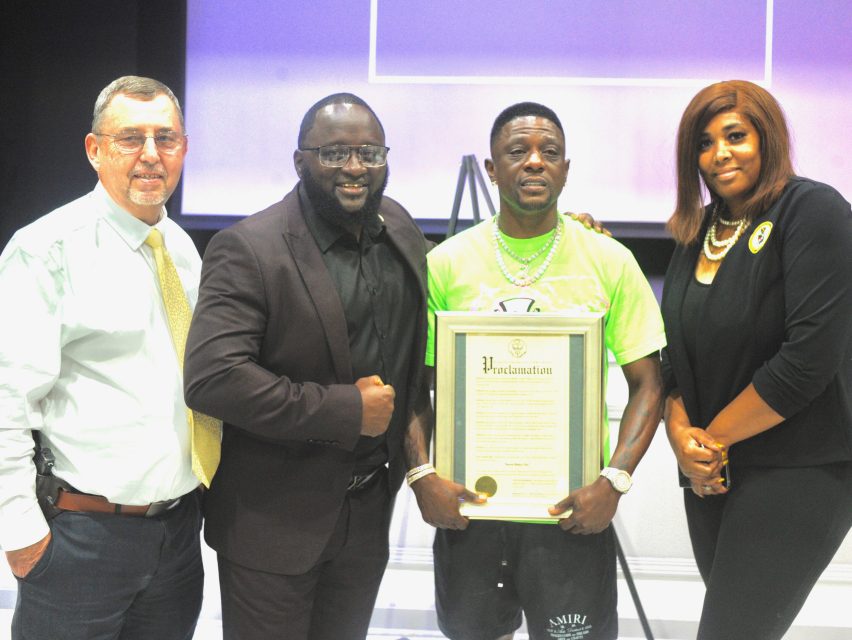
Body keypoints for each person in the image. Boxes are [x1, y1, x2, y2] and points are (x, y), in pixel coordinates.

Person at [183, 93, 444, 640]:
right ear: (300, 161)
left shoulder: (398, 229)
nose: (355, 167)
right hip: (272, 523)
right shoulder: (248, 248)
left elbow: (450, 286)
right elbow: (213, 378)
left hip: (367, 513)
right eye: (334, 153)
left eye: (369, 153)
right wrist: (346, 411)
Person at [413, 102, 666, 640]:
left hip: (571, 514)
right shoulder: (446, 263)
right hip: (472, 514)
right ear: (491, 169)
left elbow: (649, 383)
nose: (534, 162)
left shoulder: (610, 260)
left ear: (565, 170)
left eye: (549, 152)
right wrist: (421, 475)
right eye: (517, 151)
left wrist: (614, 481)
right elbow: (416, 386)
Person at [0, 76, 209, 639]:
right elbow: (5, 403)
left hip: (176, 536)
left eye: (166, 138)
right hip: (80, 539)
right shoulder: (45, 250)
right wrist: (22, 536)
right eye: (130, 138)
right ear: (94, 150)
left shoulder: (181, 249)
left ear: (184, 148)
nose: (151, 154)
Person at [661, 79, 852, 639]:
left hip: (799, 467)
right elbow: (674, 359)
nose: (719, 154)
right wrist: (681, 436)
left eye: (735, 136)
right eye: (704, 143)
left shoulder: (812, 209)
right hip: (713, 474)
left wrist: (710, 442)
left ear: (766, 137)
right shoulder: (696, 232)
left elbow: (807, 362)